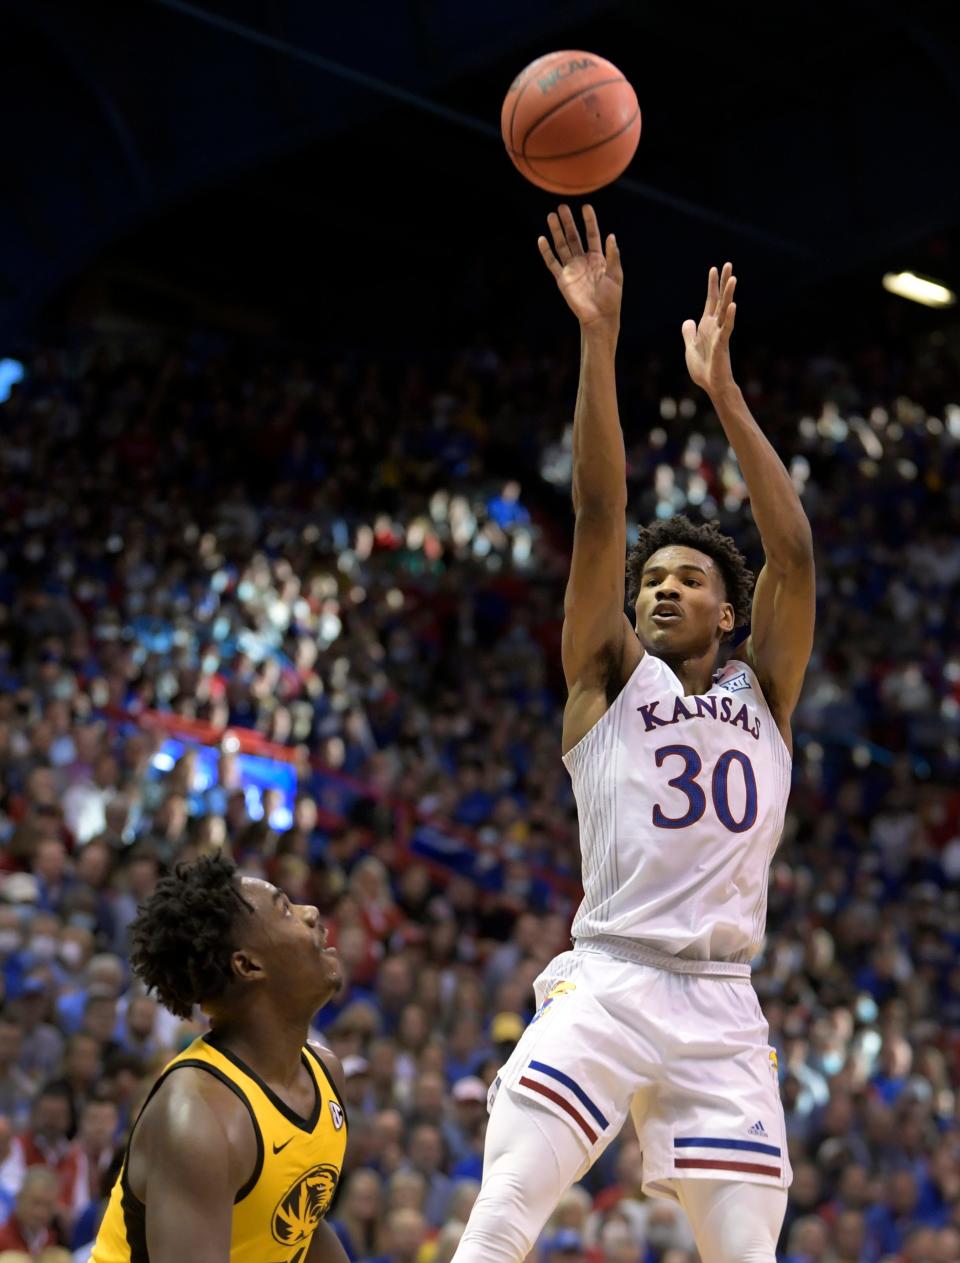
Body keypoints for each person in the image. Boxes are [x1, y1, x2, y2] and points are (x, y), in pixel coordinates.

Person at [451, 205, 815, 1263]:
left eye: (688, 579)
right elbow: (601, 515)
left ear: (727, 614)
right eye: (652, 580)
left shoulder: (767, 697)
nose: (661, 589)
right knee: (502, 1219)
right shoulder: (606, 677)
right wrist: (598, 341)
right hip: (607, 978)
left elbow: (790, 552)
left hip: (724, 1004)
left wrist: (724, 393)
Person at [91, 854, 351, 1263]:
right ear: (248, 965)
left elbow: (302, 1229)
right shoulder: (198, 1118)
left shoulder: (324, 1073)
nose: (310, 912)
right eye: (285, 909)